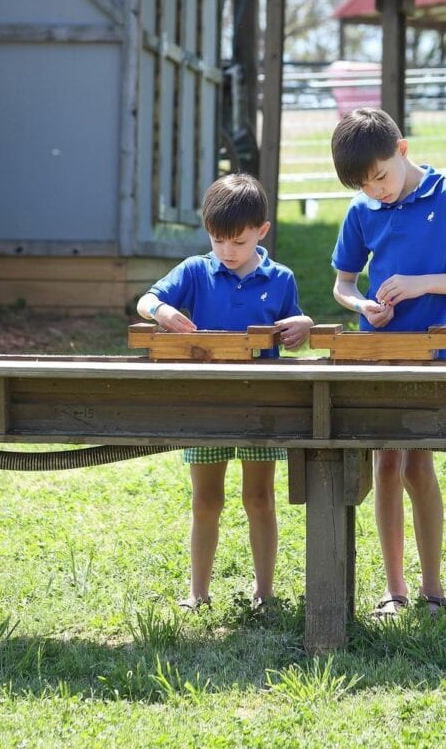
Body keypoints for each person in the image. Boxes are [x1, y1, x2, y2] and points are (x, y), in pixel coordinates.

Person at [329, 108, 446, 618]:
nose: (376, 190)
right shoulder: (362, 210)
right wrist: (363, 305)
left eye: (380, 176)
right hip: (377, 353)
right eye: (364, 185)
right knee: (385, 463)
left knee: (418, 465)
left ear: (401, 150)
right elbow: (343, 284)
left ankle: (433, 592)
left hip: (430, 353)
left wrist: (422, 283)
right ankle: (394, 591)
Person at [137, 173, 313, 611]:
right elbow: (146, 301)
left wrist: (303, 327)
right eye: (218, 241)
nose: (227, 252)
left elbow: (294, 326)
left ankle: (265, 592)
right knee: (206, 501)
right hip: (206, 404)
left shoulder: (282, 278)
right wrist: (162, 311)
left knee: (259, 498)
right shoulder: (196, 270)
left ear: (262, 231)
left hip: (262, 407)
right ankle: (197, 593)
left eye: (237, 242)